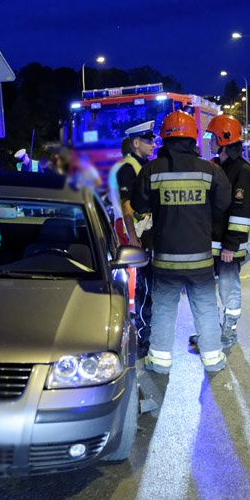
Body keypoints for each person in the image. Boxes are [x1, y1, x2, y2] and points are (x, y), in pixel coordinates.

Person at [131, 112, 232, 375]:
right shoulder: (211, 170)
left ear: (164, 137)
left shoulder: (151, 170)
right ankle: (212, 359)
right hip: (201, 258)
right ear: (193, 137)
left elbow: (139, 205)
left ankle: (160, 362)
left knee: (164, 309)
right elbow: (223, 204)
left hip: (165, 259)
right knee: (206, 307)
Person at [189, 115, 250, 351]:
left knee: (229, 286)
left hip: (227, 246)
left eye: (212, 137)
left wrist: (231, 245)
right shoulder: (219, 166)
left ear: (224, 139)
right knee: (207, 288)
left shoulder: (243, 172)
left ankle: (229, 331)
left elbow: (240, 212)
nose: (209, 141)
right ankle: (210, 331)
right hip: (211, 243)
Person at [110, 121, 157, 357]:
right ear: (135, 143)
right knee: (144, 287)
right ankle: (142, 336)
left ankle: (149, 332)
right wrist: (133, 237)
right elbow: (126, 205)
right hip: (136, 235)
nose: (153, 143)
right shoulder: (127, 168)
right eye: (148, 140)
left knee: (149, 285)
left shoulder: (144, 165)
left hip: (148, 234)